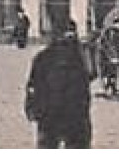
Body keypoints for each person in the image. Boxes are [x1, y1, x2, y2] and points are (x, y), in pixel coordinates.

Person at [25, 21, 93, 149]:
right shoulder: (80, 58)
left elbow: (32, 86)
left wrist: (32, 108)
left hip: (51, 116)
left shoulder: (42, 57)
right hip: (73, 117)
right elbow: (86, 85)